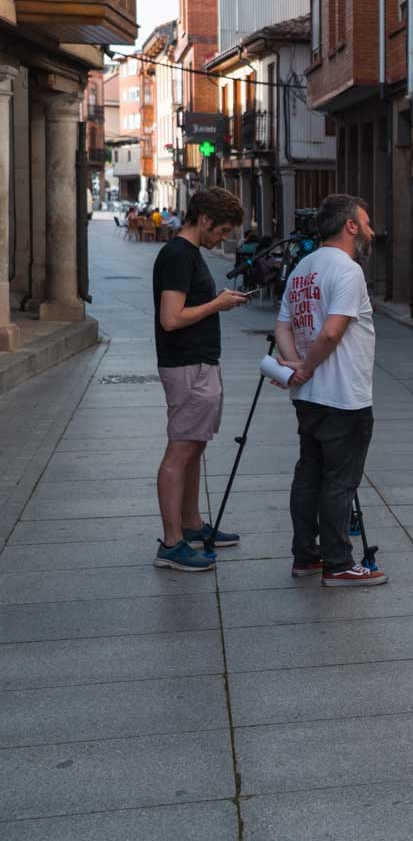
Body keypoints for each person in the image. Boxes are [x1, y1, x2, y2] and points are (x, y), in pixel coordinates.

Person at [274, 194, 386, 587]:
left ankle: (305, 556)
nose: (371, 230)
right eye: (367, 222)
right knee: (339, 482)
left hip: (308, 396)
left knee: (308, 477)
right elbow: (332, 330)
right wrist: (304, 366)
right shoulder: (348, 270)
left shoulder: (302, 269)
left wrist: (295, 369)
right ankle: (339, 563)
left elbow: (283, 325)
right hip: (344, 397)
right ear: (350, 226)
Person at [152, 186, 249, 571]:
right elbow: (171, 318)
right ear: (204, 219)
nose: (222, 238)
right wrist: (218, 304)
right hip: (188, 366)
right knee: (181, 450)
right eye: (221, 230)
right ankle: (171, 542)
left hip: (197, 363)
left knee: (194, 447)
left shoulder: (187, 254)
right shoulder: (178, 255)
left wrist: (216, 302)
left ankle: (190, 525)